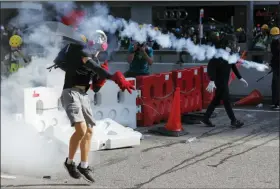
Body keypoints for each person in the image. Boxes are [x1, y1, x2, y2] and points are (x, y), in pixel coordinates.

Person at [55, 30, 135, 183]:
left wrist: (102, 79)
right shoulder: (81, 51)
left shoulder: (94, 60)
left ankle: (84, 165)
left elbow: (96, 87)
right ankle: (69, 162)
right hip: (71, 92)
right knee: (81, 129)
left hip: (83, 95)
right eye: (96, 46)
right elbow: (94, 67)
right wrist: (111, 76)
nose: (97, 50)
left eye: (99, 48)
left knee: (89, 130)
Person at [201, 34, 248, 128]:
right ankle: (233, 121)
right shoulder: (219, 54)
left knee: (216, 100)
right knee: (226, 100)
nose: (233, 45)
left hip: (223, 81)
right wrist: (212, 80)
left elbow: (233, 66)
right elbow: (211, 66)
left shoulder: (229, 55)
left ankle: (206, 118)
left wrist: (240, 77)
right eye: (232, 43)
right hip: (220, 81)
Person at [268, 27, 280, 110]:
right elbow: (274, 55)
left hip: (278, 66)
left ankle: (277, 103)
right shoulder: (273, 43)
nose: (274, 36)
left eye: (275, 35)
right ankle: (274, 102)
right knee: (274, 85)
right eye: (273, 35)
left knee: (277, 85)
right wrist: (272, 64)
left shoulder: (278, 43)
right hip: (275, 66)